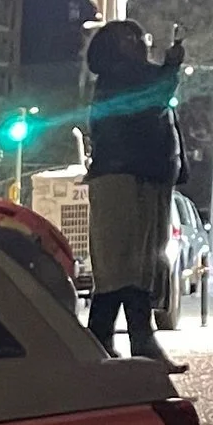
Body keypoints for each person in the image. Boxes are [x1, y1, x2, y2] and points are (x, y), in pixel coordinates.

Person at [81, 20, 186, 367]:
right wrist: (172, 65)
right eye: (135, 37)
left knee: (131, 267)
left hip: (141, 177)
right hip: (125, 179)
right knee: (125, 266)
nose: (143, 42)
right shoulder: (120, 76)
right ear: (119, 45)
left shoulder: (123, 76)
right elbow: (155, 98)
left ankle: (105, 341)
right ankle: (136, 341)